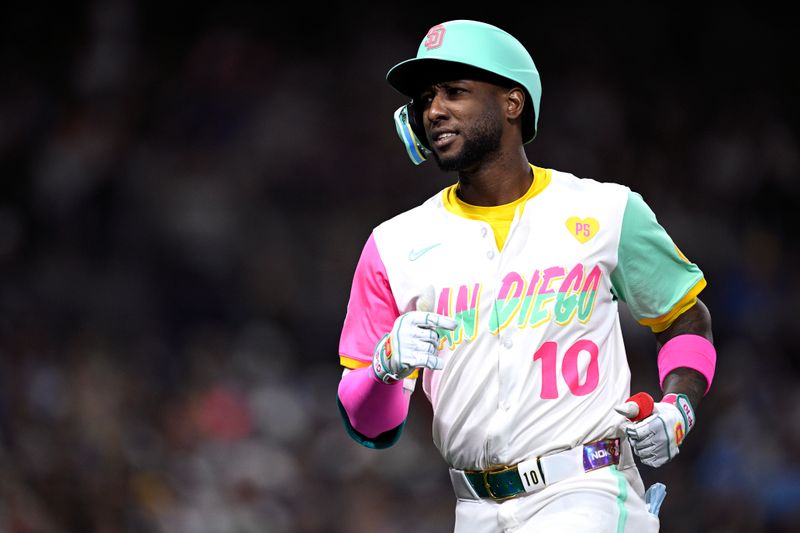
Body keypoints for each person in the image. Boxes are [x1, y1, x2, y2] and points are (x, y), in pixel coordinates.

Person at [336, 19, 716, 532]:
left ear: (512, 103)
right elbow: (371, 427)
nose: (434, 111)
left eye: (455, 91)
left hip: (586, 490)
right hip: (472, 508)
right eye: (426, 98)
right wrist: (385, 367)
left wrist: (679, 408)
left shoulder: (608, 211)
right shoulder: (393, 245)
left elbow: (686, 318)